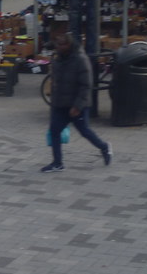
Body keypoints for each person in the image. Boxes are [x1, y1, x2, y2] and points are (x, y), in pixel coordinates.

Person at [41, 33, 112, 173]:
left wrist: (78, 106)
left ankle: (104, 147)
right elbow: (55, 80)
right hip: (59, 103)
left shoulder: (80, 59)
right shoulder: (57, 57)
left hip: (76, 104)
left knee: (84, 131)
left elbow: (86, 85)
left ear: (69, 44)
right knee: (54, 131)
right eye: (58, 44)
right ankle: (57, 162)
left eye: (63, 44)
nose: (60, 47)